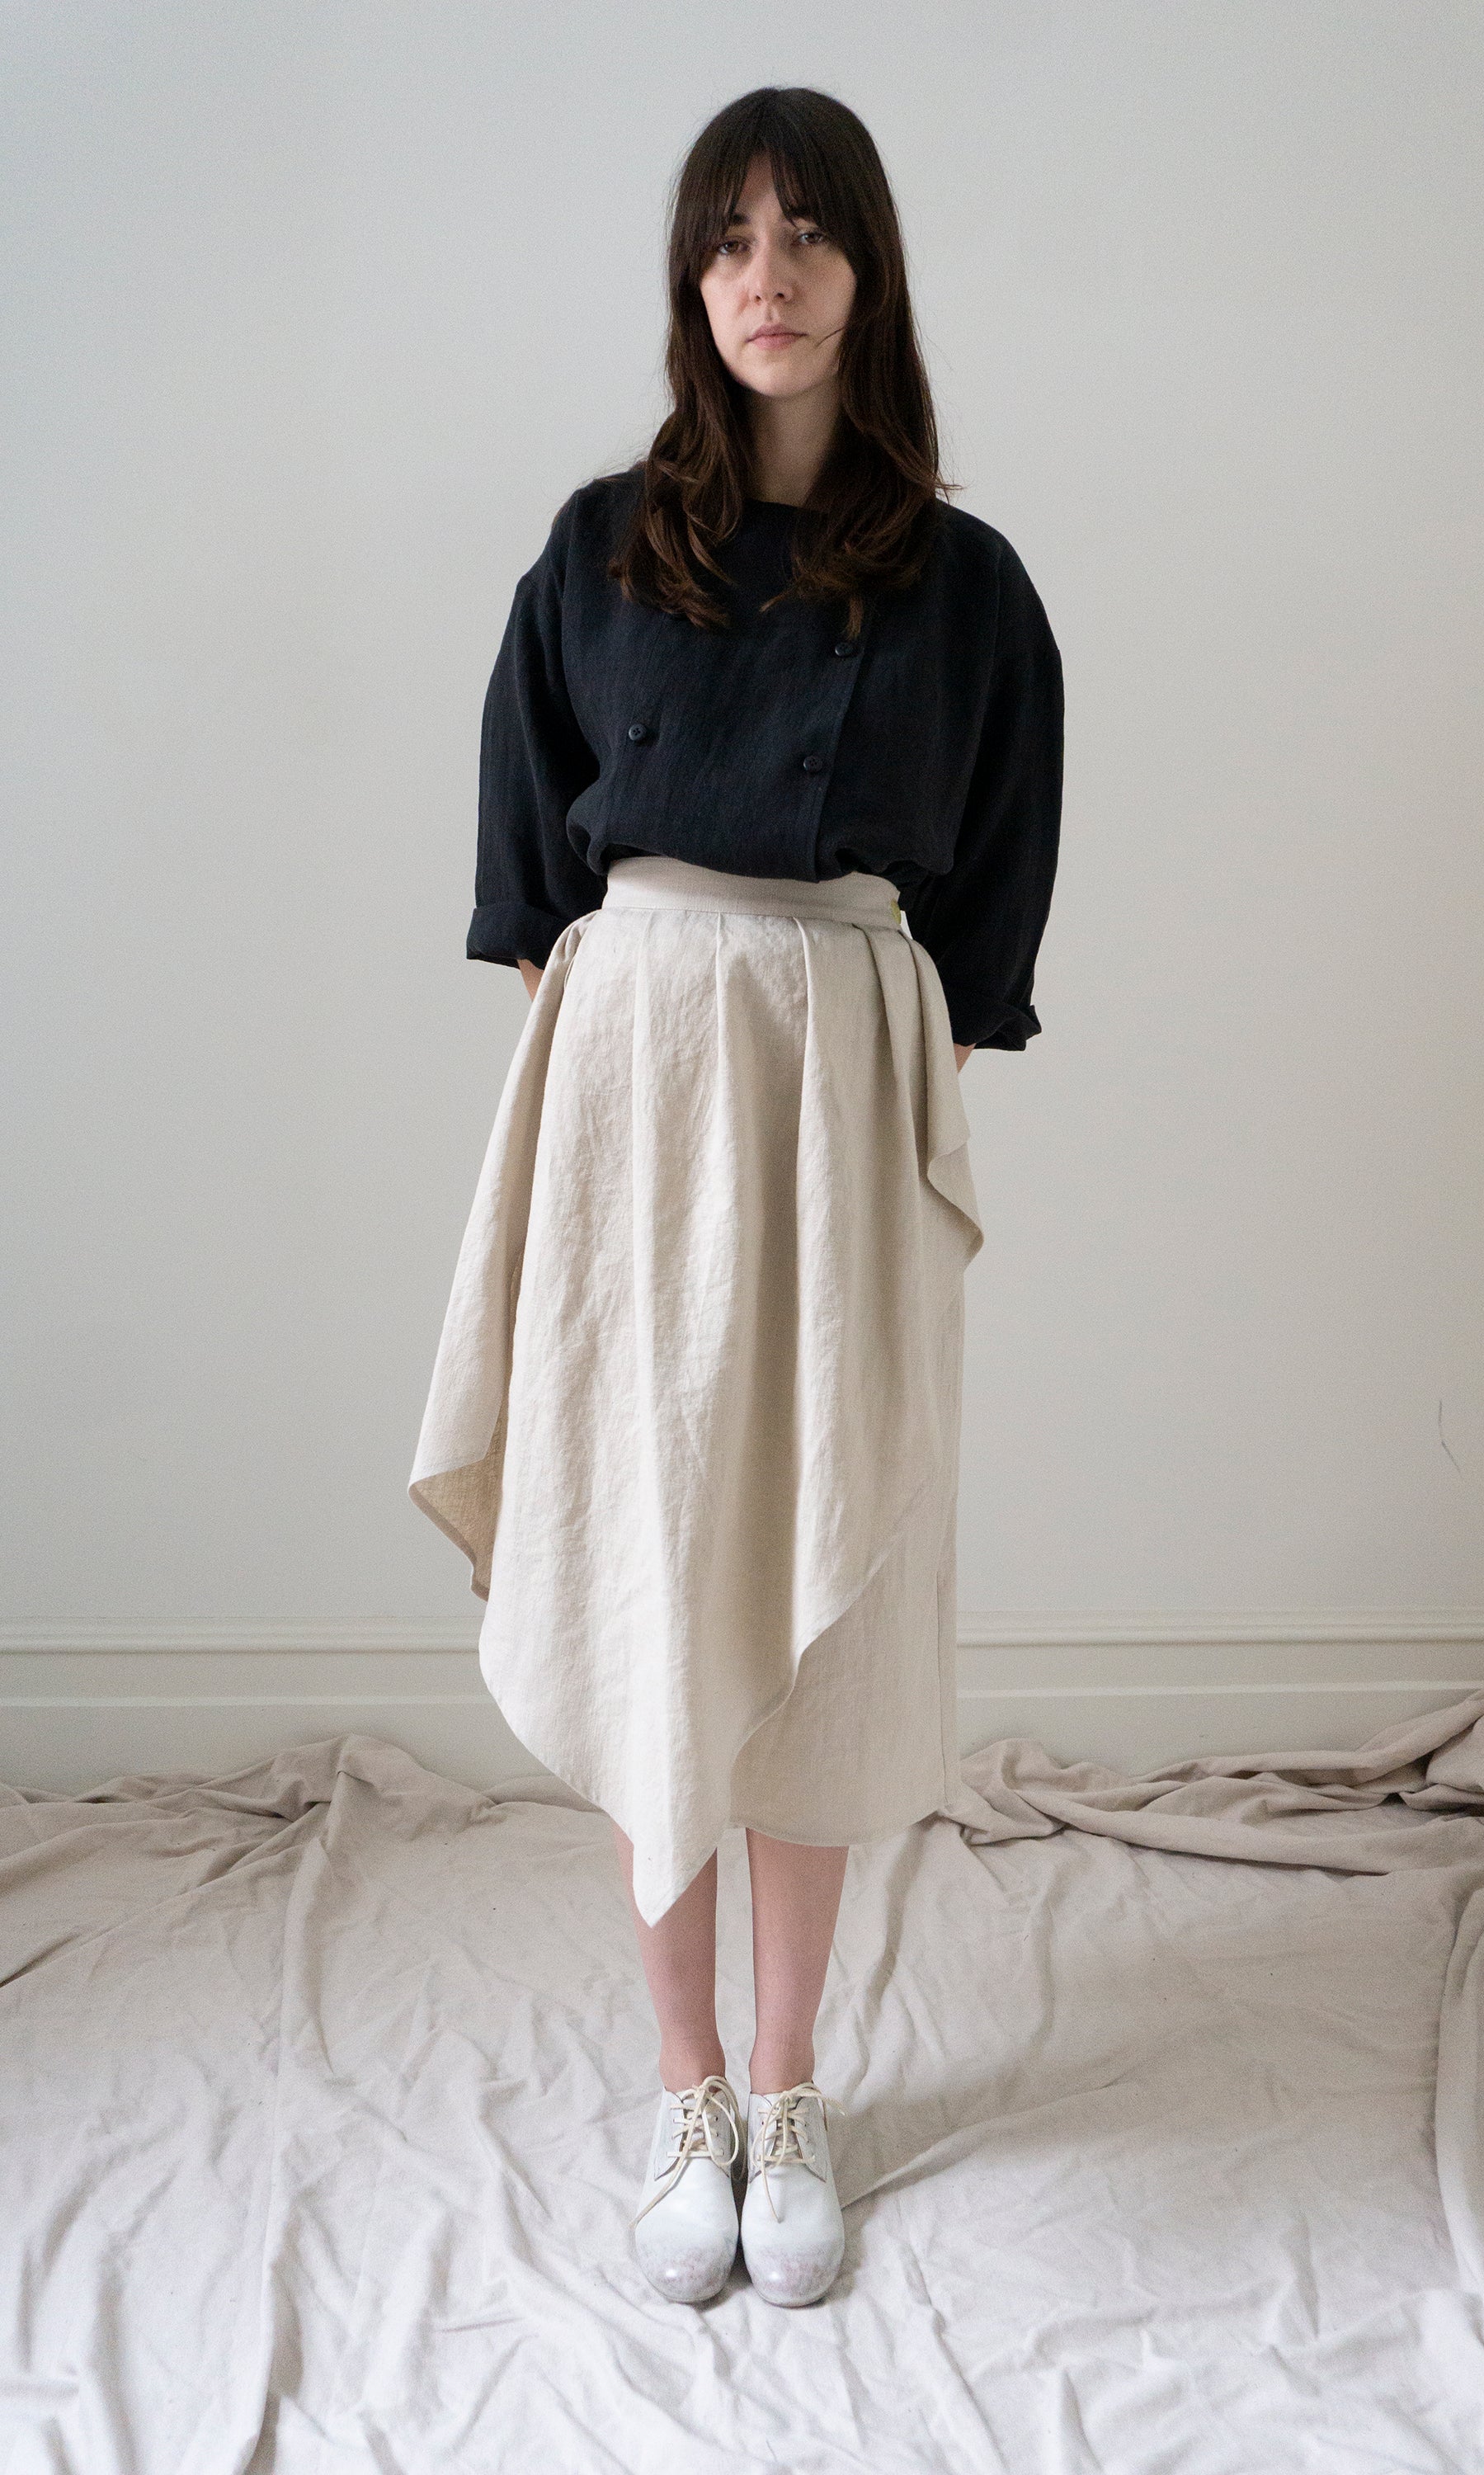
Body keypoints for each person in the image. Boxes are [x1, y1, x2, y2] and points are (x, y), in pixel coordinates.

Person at [408, 84, 1063, 2309]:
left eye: (806, 234)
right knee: (647, 1573)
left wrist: (839, 1056)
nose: (765, 277)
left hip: (840, 1102)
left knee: (822, 1593)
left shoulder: (967, 587)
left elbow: (986, 915)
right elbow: (533, 876)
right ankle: (682, 2086)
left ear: (869, 270)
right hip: (634, 1095)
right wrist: (660, 1043)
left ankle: (793, 2094)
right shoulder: (602, 547)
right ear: (690, 283)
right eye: (726, 240)